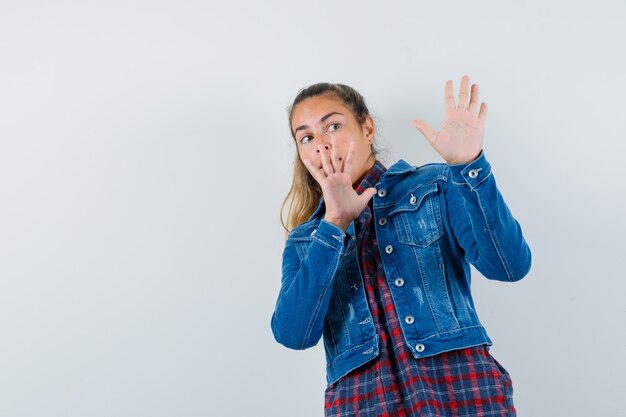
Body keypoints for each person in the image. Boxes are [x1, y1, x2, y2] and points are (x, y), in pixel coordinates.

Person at [270, 75, 531, 417]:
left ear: (367, 129)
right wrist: (334, 225)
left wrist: (469, 166)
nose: (321, 144)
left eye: (332, 126)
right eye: (306, 137)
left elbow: (509, 266)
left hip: (463, 395)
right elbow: (294, 334)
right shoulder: (306, 240)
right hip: (365, 405)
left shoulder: (435, 186)